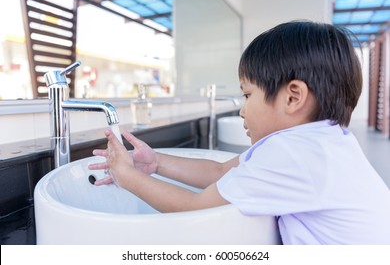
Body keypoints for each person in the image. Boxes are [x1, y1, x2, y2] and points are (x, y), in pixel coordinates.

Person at [88, 20, 390, 245]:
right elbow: (221, 170)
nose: (242, 110)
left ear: (293, 97)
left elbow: (194, 207)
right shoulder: (321, 142)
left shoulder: (292, 153)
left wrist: (128, 178)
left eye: (247, 95)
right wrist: (156, 163)